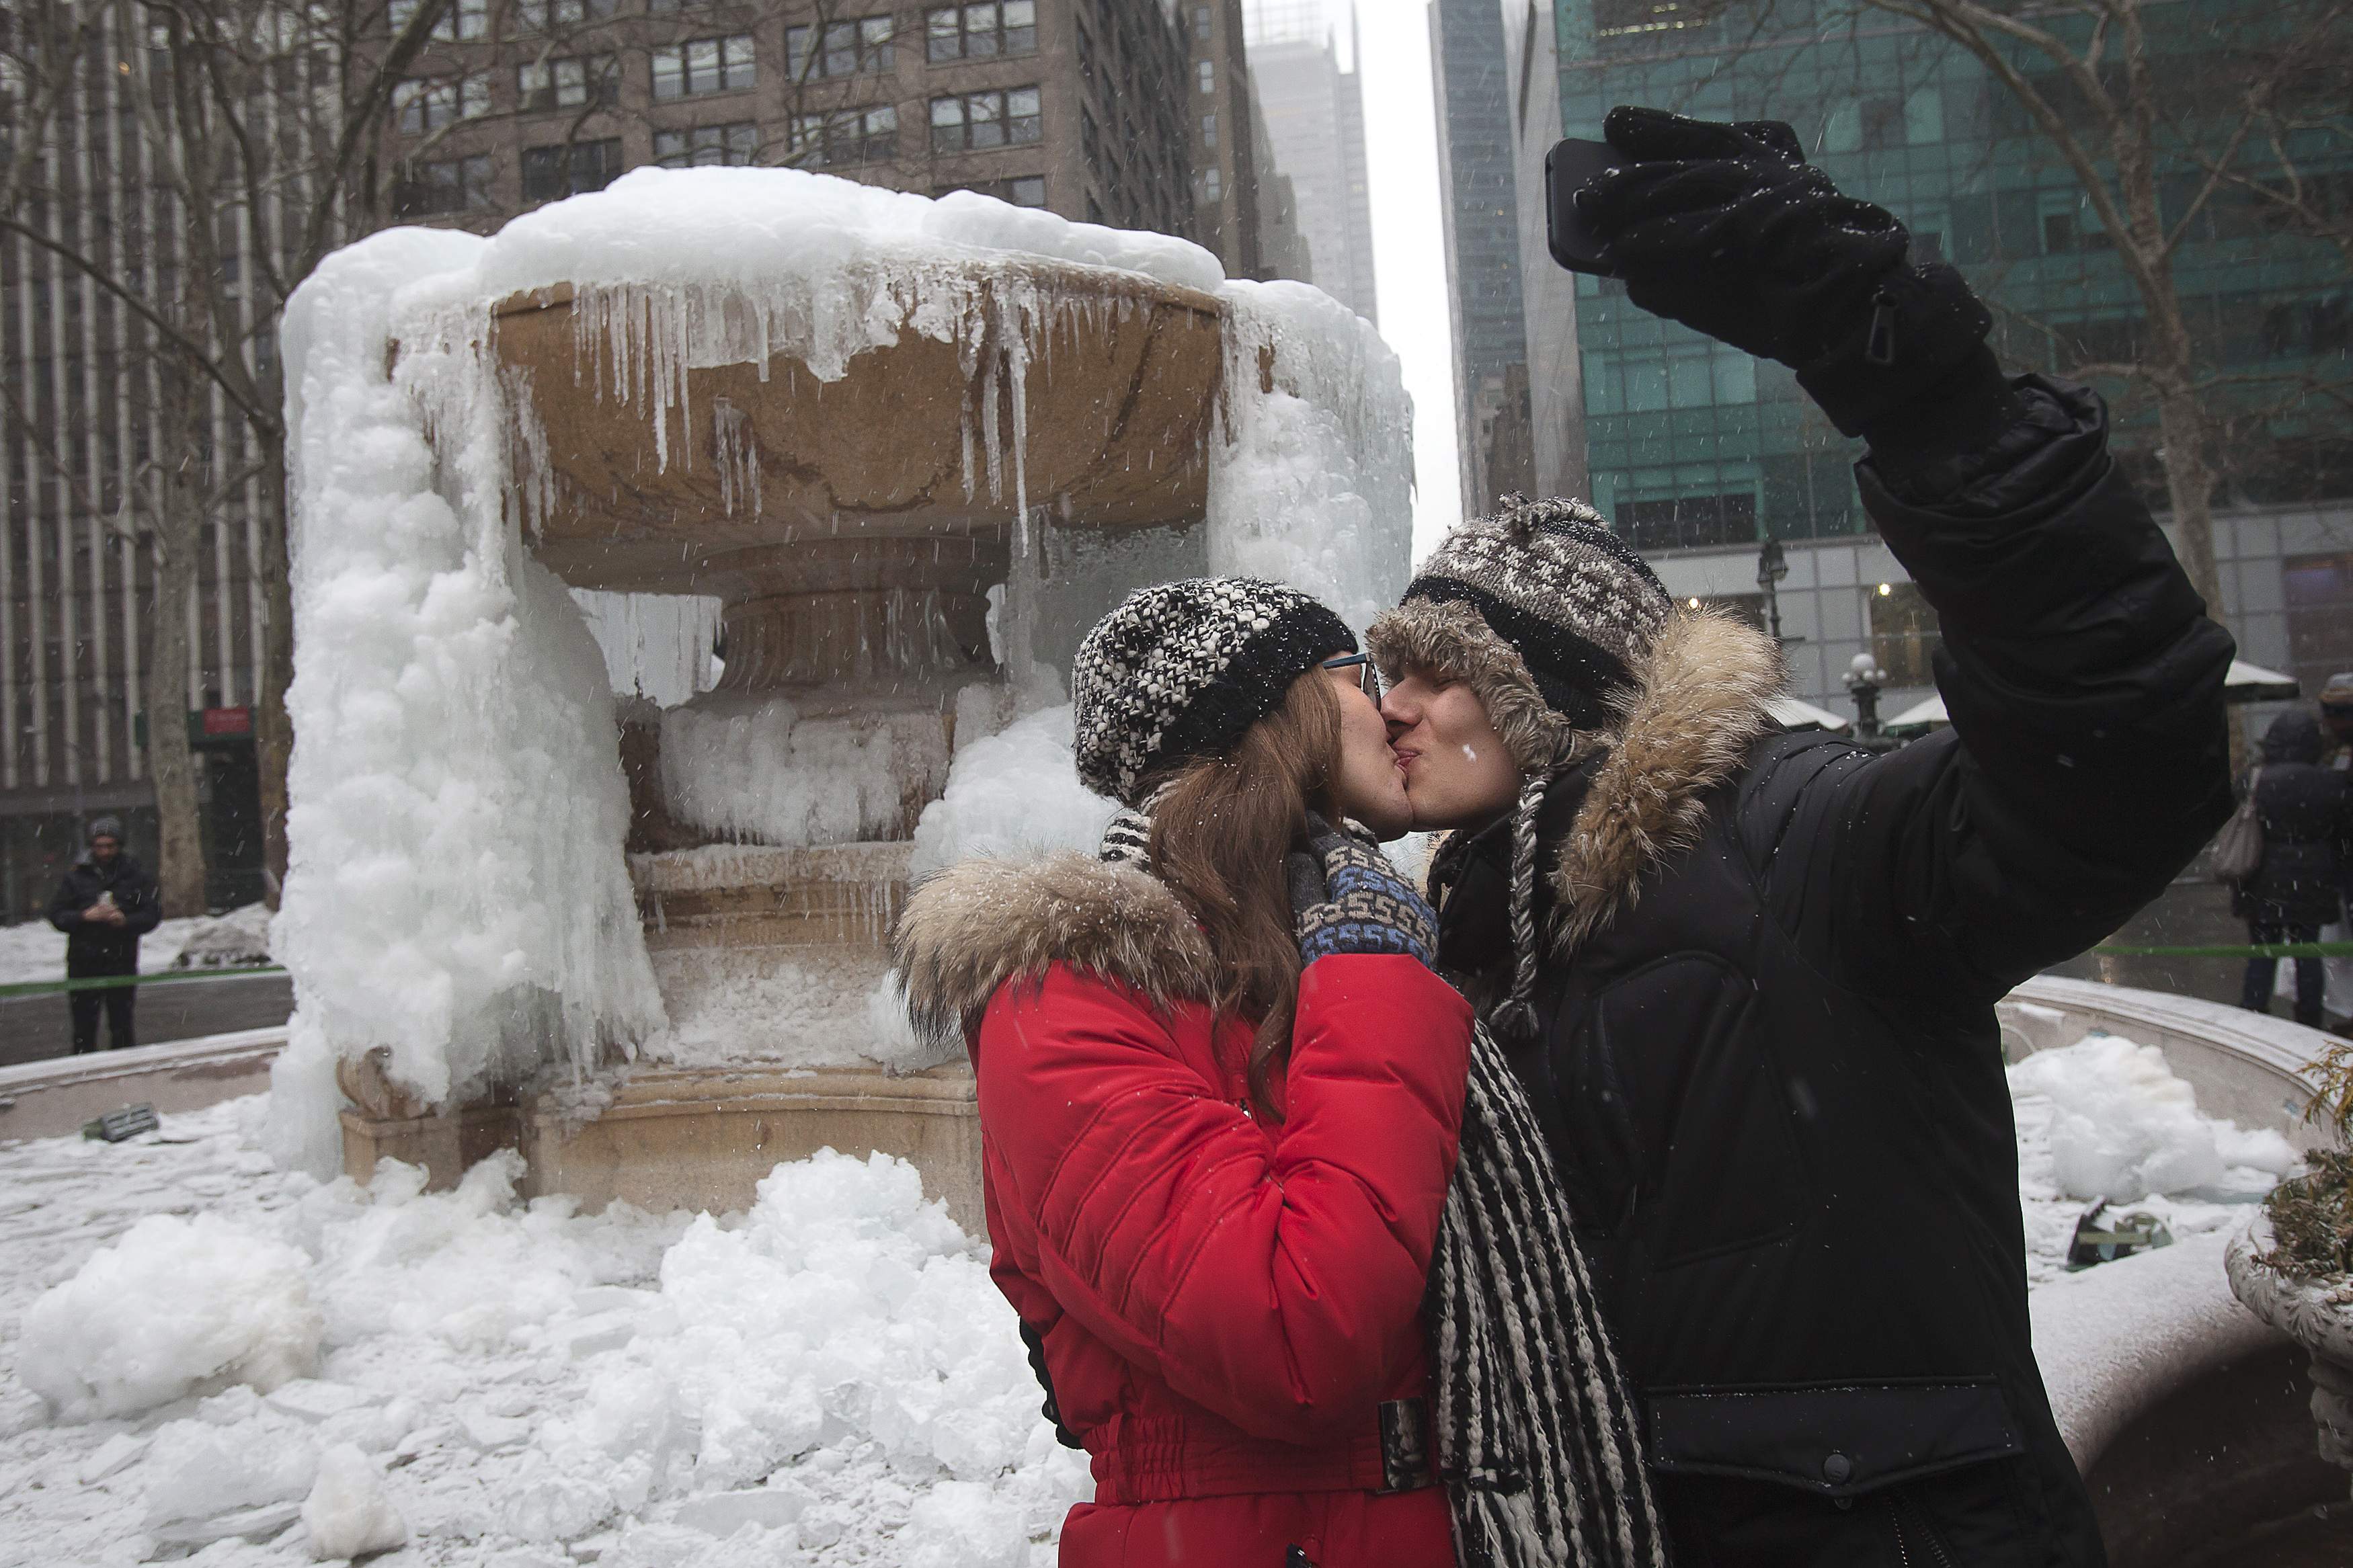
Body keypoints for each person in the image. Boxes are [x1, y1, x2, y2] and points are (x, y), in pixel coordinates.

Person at [1365, 108, 2235, 1567]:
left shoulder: (1799, 838)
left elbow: (2123, 747)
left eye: (1438, 668)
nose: (1393, 707)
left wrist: (1923, 386)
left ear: (1563, 690)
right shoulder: (1460, 938)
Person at [894, 578, 1665, 1568]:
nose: (1388, 707)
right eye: (1359, 677)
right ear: (1275, 717)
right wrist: (1373, 978)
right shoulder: (1072, 995)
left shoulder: (1326, 942)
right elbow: (1301, 1333)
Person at [2233, 710, 2351, 1029]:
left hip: (2262, 876)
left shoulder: (2253, 780)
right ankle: (2309, 1018)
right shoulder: (2333, 782)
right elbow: (2342, 835)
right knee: (2308, 952)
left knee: (2262, 949)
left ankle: (2254, 1012)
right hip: (2314, 876)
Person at [46, 815, 163, 1053]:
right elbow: (57, 914)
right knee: (83, 1028)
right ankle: (82, 1072)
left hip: (121, 959)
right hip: (83, 961)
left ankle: (123, 1072)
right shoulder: (76, 877)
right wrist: (83, 917)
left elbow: (152, 914)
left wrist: (125, 921)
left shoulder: (135, 875)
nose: (105, 852)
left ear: (119, 846)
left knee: (122, 1026)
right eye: (100, 846)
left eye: (110, 846)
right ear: (92, 846)